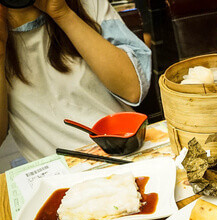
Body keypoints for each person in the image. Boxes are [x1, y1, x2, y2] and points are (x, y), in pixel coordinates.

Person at [0, 0, 151, 162]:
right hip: (58, 175)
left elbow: (133, 89)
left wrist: (63, 14)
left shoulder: (87, 4)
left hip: (125, 153)